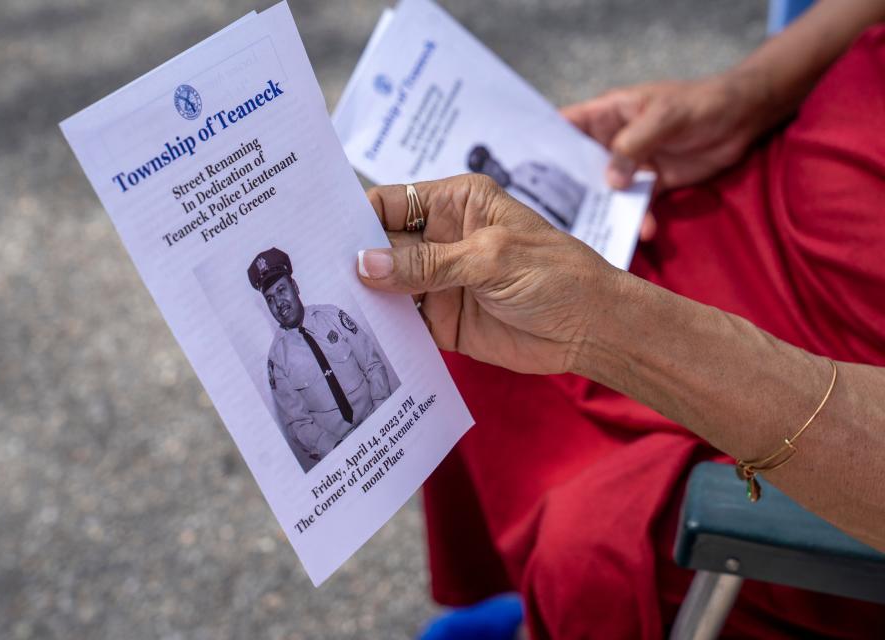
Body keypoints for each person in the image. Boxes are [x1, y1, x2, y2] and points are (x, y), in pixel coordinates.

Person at [356, 1, 885, 637]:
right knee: (463, 311)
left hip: (845, 401)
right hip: (782, 182)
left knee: (597, 551)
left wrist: (610, 324)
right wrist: (750, 94)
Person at [248, 247, 391, 465]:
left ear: (295, 287)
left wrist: (383, 411)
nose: (279, 303)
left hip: (380, 418)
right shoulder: (277, 360)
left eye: (281, 290)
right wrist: (338, 451)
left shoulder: (332, 316)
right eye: (270, 299)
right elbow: (298, 423)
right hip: (343, 452)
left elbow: (372, 364)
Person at [466, 144, 585, 231]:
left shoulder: (528, 168)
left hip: (582, 214)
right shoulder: (503, 205)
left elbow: (563, 179)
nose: (494, 170)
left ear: (496, 160)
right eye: (488, 170)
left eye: (492, 164)